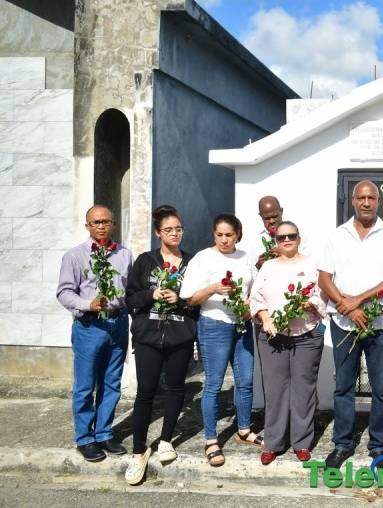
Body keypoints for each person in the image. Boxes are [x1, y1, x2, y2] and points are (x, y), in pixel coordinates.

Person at [318, 181, 383, 470]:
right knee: (343, 385)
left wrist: (359, 300)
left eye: (371, 198)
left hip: (382, 323)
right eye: (361, 198)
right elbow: (324, 279)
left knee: (381, 387)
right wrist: (347, 305)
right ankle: (343, 443)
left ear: (378, 201)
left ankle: (379, 446)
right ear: (353, 201)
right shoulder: (337, 235)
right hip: (344, 322)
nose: (366, 203)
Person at [123, 206, 198, 485]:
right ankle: (139, 451)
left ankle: (166, 439)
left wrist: (180, 301)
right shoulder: (145, 261)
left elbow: (197, 302)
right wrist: (150, 294)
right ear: (158, 233)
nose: (175, 233)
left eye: (178, 229)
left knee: (176, 388)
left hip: (180, 335)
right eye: (168, 229)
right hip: (149, 337)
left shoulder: (192, 262)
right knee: (145, 391)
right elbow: (130, 298)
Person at [179, 213, 258, 467]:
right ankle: (211, 440)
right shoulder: (203, 258)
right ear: (214, 234)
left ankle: (244, 430)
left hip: (242, 325)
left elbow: (254, 289)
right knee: (214, 383)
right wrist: (213, 288)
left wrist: (249, 306)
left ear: (238, 235)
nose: (224, 240)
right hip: (214, 324)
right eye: (219, 235)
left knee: (245, 380)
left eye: (229, 235)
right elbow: (189, 298)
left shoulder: (245, 257)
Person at [56, 205, 133, 462]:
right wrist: (88, 304)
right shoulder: (75, 256)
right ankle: (85, 438)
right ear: (87, 226)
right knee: (85, 385)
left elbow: (130, 291)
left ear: (113, 224)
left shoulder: (125, 255)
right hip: (89, 326)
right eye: (95, 222)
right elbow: (64, 292)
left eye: (105, 221)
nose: (101, 226)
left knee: (112, 382)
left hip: (117, 323)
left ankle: (104, 433)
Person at [250, 221, 327, 466]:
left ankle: (301, 442)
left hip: (306, 335)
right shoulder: (268, 266)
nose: (286, 240)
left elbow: (322, 294)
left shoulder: (312, 265)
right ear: (275, 241)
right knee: (275, 391)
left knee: (304, 390)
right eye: (281, 237)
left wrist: (311, 303)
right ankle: (273, 443)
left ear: (299, 239)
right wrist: (265, 317)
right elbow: (255, 298)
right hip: (273, 337)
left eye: (291, 236)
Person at [244, 196, 283, 272]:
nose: (271, 221)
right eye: (267, 218)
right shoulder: (251, 241)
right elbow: (248, 273)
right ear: (260, 216)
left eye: (275, 216)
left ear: (281, 211)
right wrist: (258, 266)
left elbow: (305, 266)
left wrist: (287, 257)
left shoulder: (296, 236)